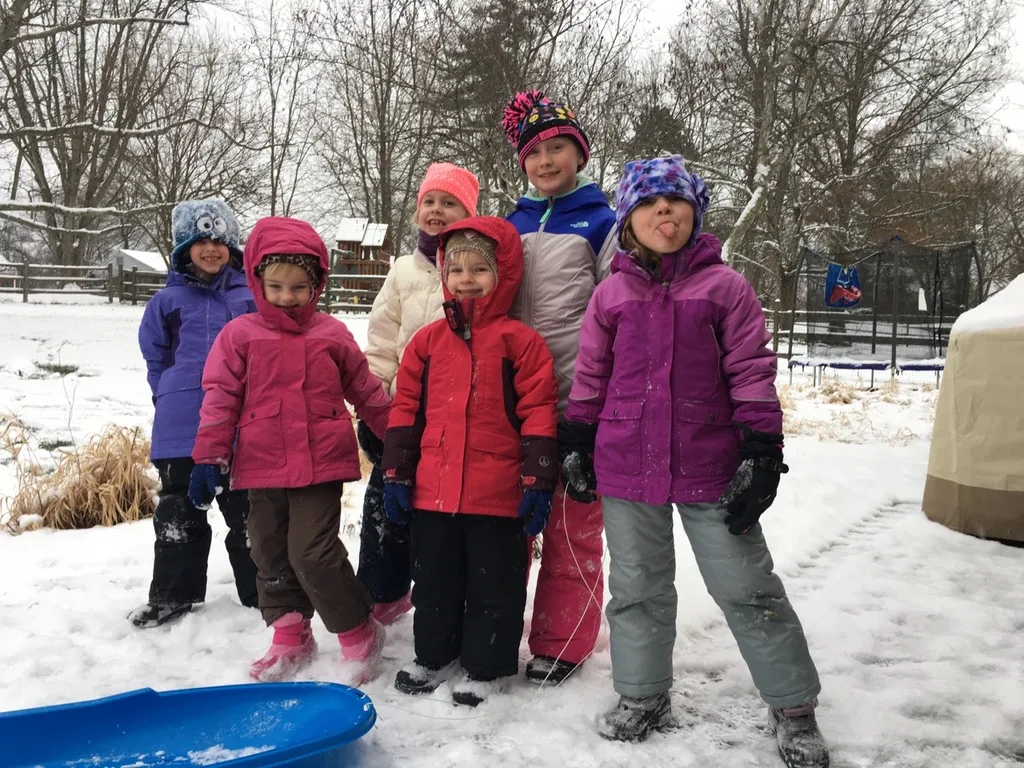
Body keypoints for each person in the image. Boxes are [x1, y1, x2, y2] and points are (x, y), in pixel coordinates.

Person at [560, 155, 828, 767]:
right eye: (650, 203)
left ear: (694, 214)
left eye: (676, 202)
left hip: (712, 465)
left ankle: (793, 705)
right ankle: (643, 695)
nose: (664, 212)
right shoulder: (611, 295)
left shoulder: (725, 289)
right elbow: (590, 376)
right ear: (627, 221)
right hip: (627, 464)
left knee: (746, 584)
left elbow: (752, 371)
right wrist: (575, 438)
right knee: (638, 588)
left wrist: (762, 450)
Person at [188, 216, 391, 684]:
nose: (287, 297)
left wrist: (395, 436)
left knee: (312, 551)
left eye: (299, 287)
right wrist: (208, 456)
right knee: (268, 549)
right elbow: (219, 398)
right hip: (260, 465)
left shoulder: (331, 334)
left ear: (317, 284)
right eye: (276, 286)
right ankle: (289, 632)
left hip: (321, 464)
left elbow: (366, 390)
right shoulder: (240, 336)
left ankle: (358, 629)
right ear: (257, 281)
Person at [380, 216, 559, 707]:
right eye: (455, 268)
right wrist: (396, 472)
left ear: (503, 274)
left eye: (479, 268)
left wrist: (537, 481)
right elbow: (406, 411)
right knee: (433, 581)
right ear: (443, 274)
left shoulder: (520, 343)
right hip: (433, 492)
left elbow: (539, 412)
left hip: (496, 495)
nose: (465, 278)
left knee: (494, 587)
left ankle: (487, 665)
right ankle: (434, 656)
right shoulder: (427, 343)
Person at [499, 89, 616, 685]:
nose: (546, 161)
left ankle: (563, 639)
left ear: (580, 154)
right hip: (511, 400)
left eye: (559, 148)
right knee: (507, 521)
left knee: (572, 525)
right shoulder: (509, 225)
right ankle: (493, 628)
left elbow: (616, 308)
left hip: (577, 398)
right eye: (535, 150)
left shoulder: (602, 223)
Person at [357, 162, 479, 625]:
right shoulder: (403, 271)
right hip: (400, 411)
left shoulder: (473, 268)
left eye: (449, 203)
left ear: (468, 212)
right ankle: (382, 591)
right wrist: (373, 409)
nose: (437, 211)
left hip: (454, 413)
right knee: (384, 503)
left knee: (437, 509)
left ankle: (439, 595)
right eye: (429, 201)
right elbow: (382, 339)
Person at [131, 198, 258, 629]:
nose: (210, 248)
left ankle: (262, 595)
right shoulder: (166, 302)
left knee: (249, 518)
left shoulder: (249, 298)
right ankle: (173, 595)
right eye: (199, 240)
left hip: (242, 427)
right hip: (180, 427)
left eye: (219, 240)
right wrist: (167, 395)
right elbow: (155, 357)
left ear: (232, 247)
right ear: (183, 247)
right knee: (178, 515)